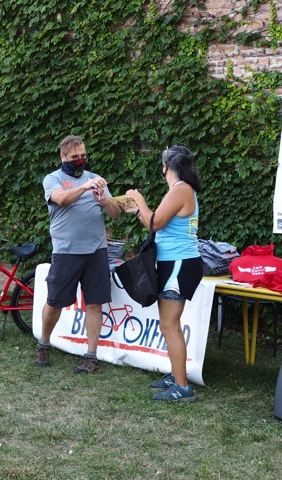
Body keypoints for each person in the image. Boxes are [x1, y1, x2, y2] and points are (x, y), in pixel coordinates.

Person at [124, 145, 203, 402]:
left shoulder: (180, 190)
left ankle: (182, 387)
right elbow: (153, 221)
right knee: (168, 324)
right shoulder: (180, 190)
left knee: (170, 325)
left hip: (179, 263)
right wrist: (138, 211)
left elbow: (155, 223)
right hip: (175, 263)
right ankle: (176, 375)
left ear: (166, 166)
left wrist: (138, 199)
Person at [36, 135, 120, 373]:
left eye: (83, 155)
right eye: (75, 157)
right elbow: (61, 199)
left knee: (94, 304)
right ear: (63, 156)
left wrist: (104, 200)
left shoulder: (96, 179)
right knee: (55, 302)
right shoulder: (53, 179)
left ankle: (91, 357)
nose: (80, 160)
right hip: (66, 251)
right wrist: (84, 187)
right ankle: (44, 344)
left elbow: (115, 213)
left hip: (96, 251)